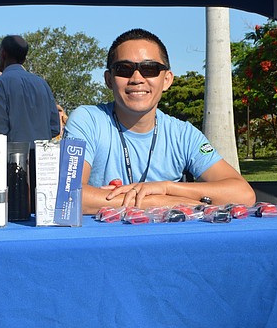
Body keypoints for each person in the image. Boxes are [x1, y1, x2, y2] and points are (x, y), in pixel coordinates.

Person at [63, 28, 255, 214]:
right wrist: (159, 202)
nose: (137, 78)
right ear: (109, 79)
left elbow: (243, 194)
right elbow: (67, 194)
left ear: (167, 80)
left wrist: (166, 188)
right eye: (124, 69)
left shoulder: (183, 134)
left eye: (149, 69)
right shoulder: (86, 120)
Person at [0, 35, 60, 143]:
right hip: (42, 156)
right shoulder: (42, 84)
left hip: (12, 155)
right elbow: (55, 127)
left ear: (3, 53)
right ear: (24, 58)